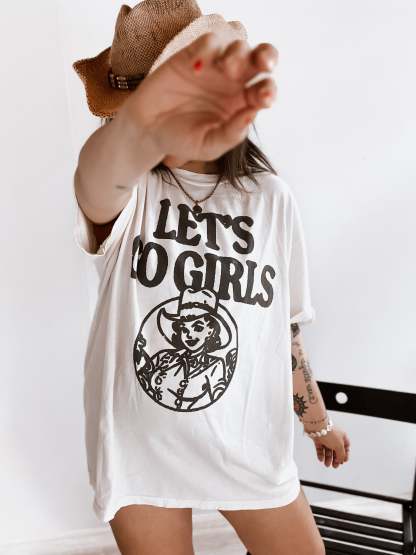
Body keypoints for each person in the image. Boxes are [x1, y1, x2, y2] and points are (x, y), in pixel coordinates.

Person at [72, 1, 350, 554]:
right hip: (139, 450)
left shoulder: (269, 198)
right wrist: (144, 126)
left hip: (247, 444)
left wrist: (317, 423)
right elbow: (96, 180)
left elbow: (283, 332)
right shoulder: (131, 188)